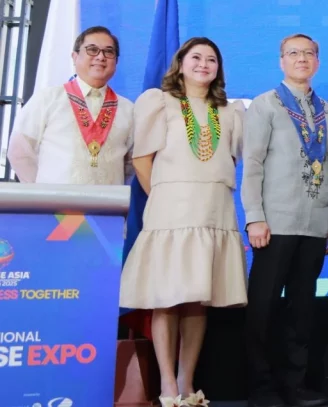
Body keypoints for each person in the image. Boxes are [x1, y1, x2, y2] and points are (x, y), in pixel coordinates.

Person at [120, 37, 248, 407]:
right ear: (180, 63)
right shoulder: (159, 102)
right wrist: (163, 193)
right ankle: (166, 386)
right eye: (196, 57)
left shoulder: (229, 111)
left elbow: (240, 158)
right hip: (171, 208)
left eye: (211, 59)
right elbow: (143, 160)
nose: (204, 64)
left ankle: (187, 382)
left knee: (197, 300)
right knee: (167, 298)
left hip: (213, 208)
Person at [242, 34, 328, 407]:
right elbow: (251, 165)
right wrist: (254, 218)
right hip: (274, 224)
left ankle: (295, 386)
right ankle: (261, 388)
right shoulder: (265, 105)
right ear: (281, 61)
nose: (302, 59)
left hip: (313, 226)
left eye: (309, 53)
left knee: (302, 311)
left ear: (317, 61)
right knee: (262, 308)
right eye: (293, 53)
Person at [8, 26, 134, 185]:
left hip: (106, 207)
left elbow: (131, 164)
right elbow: (20, 152)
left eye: (109, 52)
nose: (101, 57)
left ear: (116, 61)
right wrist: (42, 195)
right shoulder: (48, 98)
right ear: (75, 57)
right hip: (55, 205)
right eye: (92, 49)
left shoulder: (128, 109)